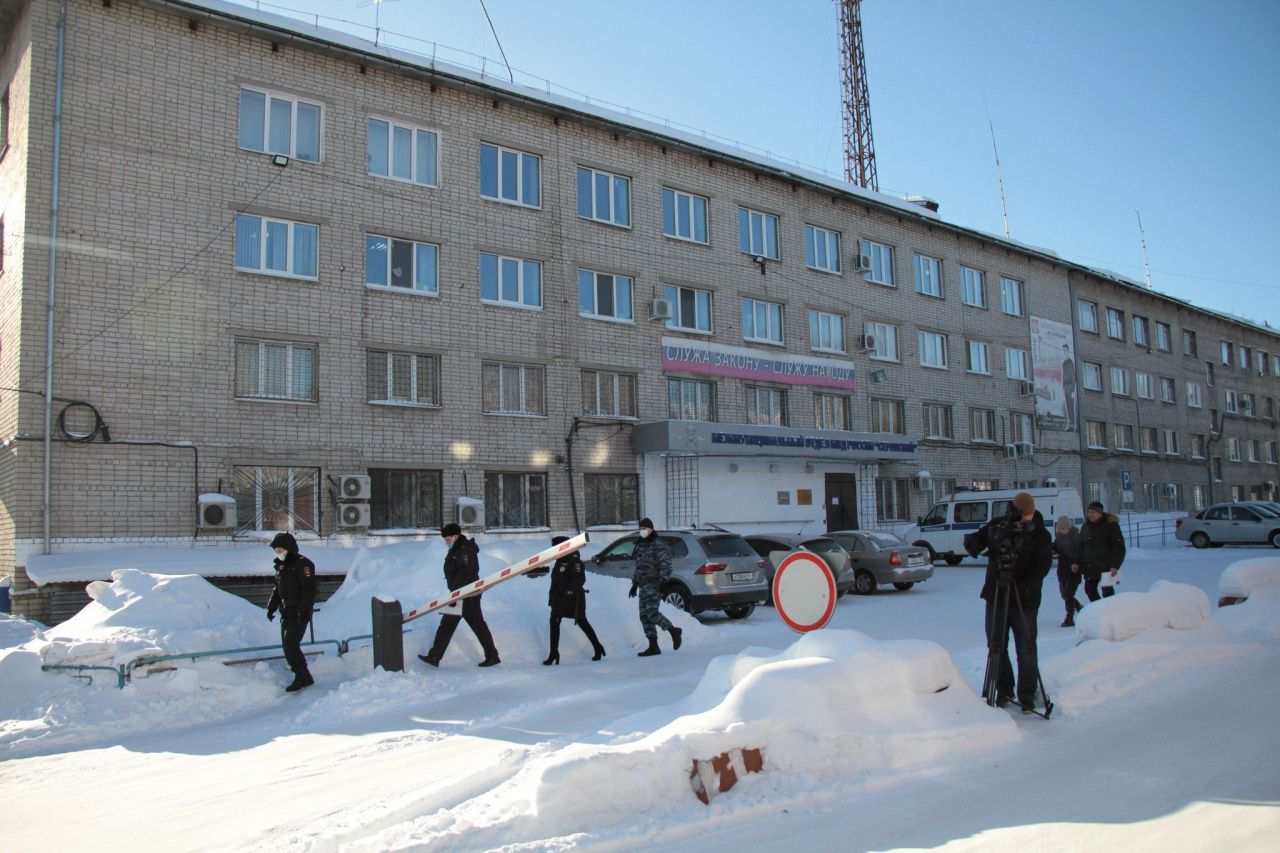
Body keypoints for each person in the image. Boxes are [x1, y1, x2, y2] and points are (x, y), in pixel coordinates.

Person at [963, 492, 1053, 713]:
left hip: (1025, 600)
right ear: (1014, 512)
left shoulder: (1040, 534)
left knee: (1026, 648)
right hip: (997, 596)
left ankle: (1027, 695)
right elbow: (975, 542)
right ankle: (1004, 689)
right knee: (996, 646)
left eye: (1030, 516)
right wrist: (973, 543)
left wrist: (1025, 587)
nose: (1027, 520)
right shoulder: (998, 526)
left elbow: (1041, 567)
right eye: (1024, 516)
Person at [419, 523, 501, 668]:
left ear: (456, 536)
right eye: (445, 539)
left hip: (468, 595)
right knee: (447, 624)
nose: (447, 542)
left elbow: (467, 574)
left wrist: (457, 593)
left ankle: (492, 656)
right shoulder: (456, 550)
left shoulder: (465, 550)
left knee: (478, 624)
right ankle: (434, 656)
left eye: (448, 539)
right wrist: (455, 593)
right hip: (457, 594)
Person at [266, 532, 318, 693]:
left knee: (290, 645)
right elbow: (277, 590)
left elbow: (309, 590)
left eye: (280, 549)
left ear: (289, 548)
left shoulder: (303, 564)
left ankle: (300, 677)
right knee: (288, 645)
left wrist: (303, 612)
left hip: (298, 612)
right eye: (276, 550)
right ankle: (305, 677)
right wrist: (271, 607)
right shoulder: (282, 566)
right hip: (286, 611)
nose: (278, 553)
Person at [543, 535, 606, 665]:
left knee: (582, 622)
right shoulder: (559, 561)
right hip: (558, 597)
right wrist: (552, 598)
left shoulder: (575, 561)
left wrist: (569, 591)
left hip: (573, 598)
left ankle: (597, 647)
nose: (553, 549)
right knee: (554, 622)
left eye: (556, 547)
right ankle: (553, 653)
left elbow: (579, 579)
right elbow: (554, 581)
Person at [629, 518, 682, 657]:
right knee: (644, 616)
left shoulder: (659, 544)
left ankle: (673, 631)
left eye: (645, 528)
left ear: (651, 529)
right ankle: (653, 646)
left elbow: (666, 564)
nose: (642, 531)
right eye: (641, 528)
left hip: (654, 583)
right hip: (643, 584)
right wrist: (634, 584)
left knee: (652, 613)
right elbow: (639, 566)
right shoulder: (640, 544)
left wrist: (663, 583)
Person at [1076, 501, 1126, 601]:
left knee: (1107, 592)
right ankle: (1098, 610)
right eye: (1089, 512)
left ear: (1100, 513)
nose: (1090, 514)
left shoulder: (1111, 526)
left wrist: (1115, 565)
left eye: (1093, 512)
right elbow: (1080, 546)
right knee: (1089, 590)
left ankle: (1110, 611)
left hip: (1107, 567)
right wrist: (1077, 562)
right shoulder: (1085, 526)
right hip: (1090, 567)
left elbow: (1119, 547)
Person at [1052, 515, 1085, 627]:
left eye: (1065, 528)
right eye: (1061, 529)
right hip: (1062, 570)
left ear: (1069, 527)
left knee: (1068, 593)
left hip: (1073, 570)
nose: (1063, 531)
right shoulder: (1058, 538)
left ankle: (1069, 616)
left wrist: (1076, 563)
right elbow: (1055, 549)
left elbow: (1080, 552)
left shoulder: (1076, 537)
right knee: (1064, 595)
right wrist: (1053, 552)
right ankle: (1079, 606)